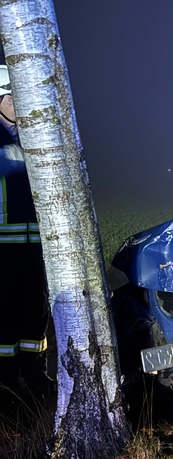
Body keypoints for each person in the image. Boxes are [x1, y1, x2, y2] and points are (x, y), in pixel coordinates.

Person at [0, 64, 52, 402]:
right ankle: (5, 384)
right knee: (4, 318)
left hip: (36, 246)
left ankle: (34, 376)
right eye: (10, 96)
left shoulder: (33, 135)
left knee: (36, 315)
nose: (18, 103)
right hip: (3, 248)